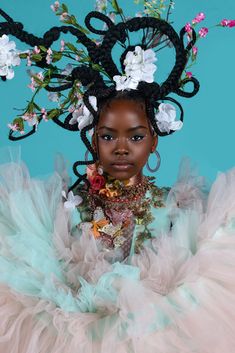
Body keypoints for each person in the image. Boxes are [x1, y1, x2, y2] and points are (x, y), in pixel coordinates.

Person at [0, 1, 235, 352]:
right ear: (93, 138)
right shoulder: (72, 206)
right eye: (108, 136)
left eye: (136, 137)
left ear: (154, 140)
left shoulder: (179, 208)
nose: (122, 148)